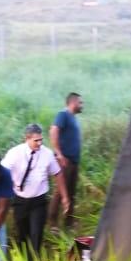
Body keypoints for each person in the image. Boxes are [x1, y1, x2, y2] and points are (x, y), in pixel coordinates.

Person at [2, 124, 70, 261]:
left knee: (36, 234)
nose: (39, 143)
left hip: (38, 201)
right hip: (20, 200)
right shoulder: (14, 153)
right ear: (26, 139)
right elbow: (3, 173)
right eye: (36, 140)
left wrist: (65, 197)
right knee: (22, 234)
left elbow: (58, 174)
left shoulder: (47, 154)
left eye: (41, 140)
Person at [48, 92, 83, 231]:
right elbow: (53, 130)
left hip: (74, 161)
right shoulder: (63, 115)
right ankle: (52, 223)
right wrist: (59, 153)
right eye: (80, 102)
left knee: (71, 192)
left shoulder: (73, 118)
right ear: (73, 102)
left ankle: (69, 222)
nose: (82, 105)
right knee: (59, 192)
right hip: (65, 161)